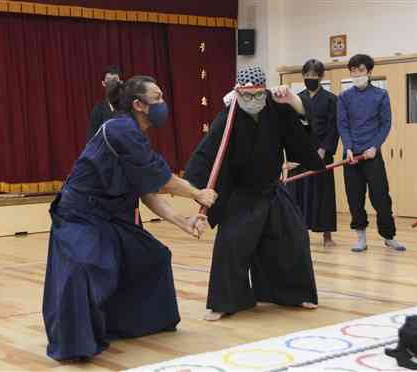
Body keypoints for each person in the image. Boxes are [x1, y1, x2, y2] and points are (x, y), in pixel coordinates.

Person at [42, 75, 217, 361]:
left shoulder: (134, 133)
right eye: (157, 98)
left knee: (153, 256)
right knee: (86, 267)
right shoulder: (120, 129)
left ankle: (131, 324)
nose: (163, 104)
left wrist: (180, 221)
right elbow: (161, 179)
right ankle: (75, 344)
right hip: (79, 215)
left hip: (111, 216)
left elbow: (144, 188)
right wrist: (198, 194)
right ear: (139, 104)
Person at [184, 65, 325, 321]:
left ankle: (295, 293)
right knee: (232, 245)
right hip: (242, 195)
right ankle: (226, 302)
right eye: (246, 96)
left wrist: (295, 103)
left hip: (272, 190)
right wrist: (198, 189)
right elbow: (206, 154)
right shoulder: (228, 117)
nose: (252, 101)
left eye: (257, 95)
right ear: (237, 92)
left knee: (293, 240)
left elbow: (302, 133)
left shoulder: (277, 109)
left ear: (265, 91)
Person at [337, 54, 406, 252]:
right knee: (354, 198)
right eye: (353, 71)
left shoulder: (381, 95)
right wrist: (348, 148)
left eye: (360, 70)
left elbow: (385, 124)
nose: (356, 74)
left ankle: (389, 236)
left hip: (372, 155)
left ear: (368, 72)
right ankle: (360, 238)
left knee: (381, 197)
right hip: (351, 157)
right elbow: (342, 125)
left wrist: (374, 146)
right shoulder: (344, 97)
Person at [284, 59, 339, 247]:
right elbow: (290, 129)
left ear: (321, 77)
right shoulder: (296, 99)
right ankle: (297, 234)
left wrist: (324, 149)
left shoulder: (332, 99)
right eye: (307, 76)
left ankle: (327, 235)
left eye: (314, 76)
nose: (310, 78)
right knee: (296, 195)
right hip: (300, 154)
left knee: (322, 195)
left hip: (322, 154)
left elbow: (334, 127)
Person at [86, 65, 122, 142]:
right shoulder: (99, 109)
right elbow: (92, 137)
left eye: (115, 79)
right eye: (109, 79)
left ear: (120, 82)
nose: (112, 82)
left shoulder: (128, 105)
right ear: (103, 83)